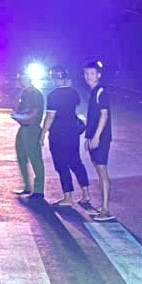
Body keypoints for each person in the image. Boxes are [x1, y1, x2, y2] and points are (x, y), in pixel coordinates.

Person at [40, 65, 91, 207]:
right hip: (73, 133)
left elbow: (50, 116)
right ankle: (86, 193)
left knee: (61, 165)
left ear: (53, 78)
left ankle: (68, 197)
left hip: (57, 134)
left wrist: (43, 133)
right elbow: (76, 105)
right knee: (76, 162)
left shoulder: (53, 95)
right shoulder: (73, 93)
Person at [83, 59, 116, 221]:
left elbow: (104, 115)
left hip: (101, 139)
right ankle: (103, 206)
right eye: (86, 74)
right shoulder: (93, 92)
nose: (88, 76)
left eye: (92, 73)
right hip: (94, 138)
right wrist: (88, 137)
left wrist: (96, 137)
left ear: (98, 75)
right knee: (98, 171)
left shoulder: (101, 92)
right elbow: (92, 118)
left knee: (102, 173)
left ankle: (106, 209)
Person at [10, 69, 46, 202]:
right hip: (23, 127)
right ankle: (27, 186)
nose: (20, 80)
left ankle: (39, 190)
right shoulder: (24, 92)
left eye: (22, 77)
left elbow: (34, 113)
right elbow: (17, 108)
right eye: (20, 77)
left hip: (32, 128)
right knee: (21, 156)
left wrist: (21, 117)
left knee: (35, 159)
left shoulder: (35, 93)